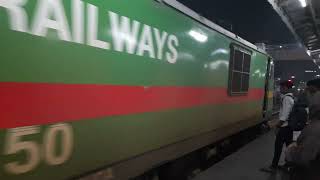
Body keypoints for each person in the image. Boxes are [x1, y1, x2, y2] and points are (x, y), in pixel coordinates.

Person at [285, 78, 320, 168]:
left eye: (311, 91)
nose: (307, 94)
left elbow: (304, 158)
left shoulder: (315, 128)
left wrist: (290, 150)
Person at [261, 80, 295, 172]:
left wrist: (277, 126)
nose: (280, 89)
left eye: (281, 87)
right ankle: (288, 165)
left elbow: (284, 116)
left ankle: (273, 166)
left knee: (278, 147)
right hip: (288, 128)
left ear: (286, 88)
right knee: (288, 146)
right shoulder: (291, 98)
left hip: (284, 128)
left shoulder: (287, 99)